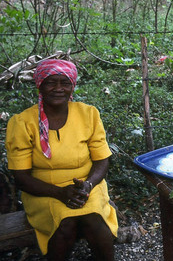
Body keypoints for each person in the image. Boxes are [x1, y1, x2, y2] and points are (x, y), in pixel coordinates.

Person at [5, 59, 118, 261]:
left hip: (87, 185)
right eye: (51, 82)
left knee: (94, 221)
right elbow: (21, 177)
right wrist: (60, 193)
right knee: (65, 224)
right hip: (43, 190)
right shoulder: (22, 122)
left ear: (72, 86)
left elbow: (102, 161)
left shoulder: (88, 114)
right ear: (40, 85)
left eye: (64, 83)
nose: (58, 89)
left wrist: (88, 185)